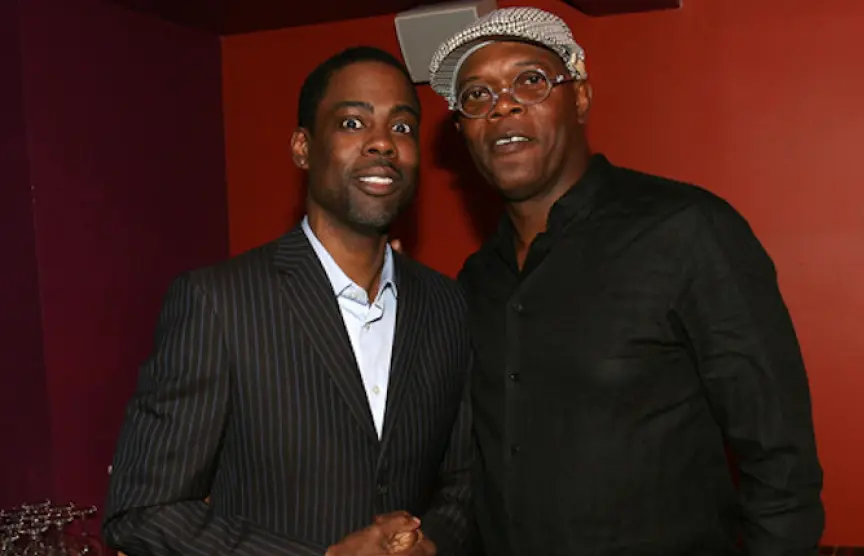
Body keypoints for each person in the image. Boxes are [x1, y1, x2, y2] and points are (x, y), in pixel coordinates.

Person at [424, 7, 825, 556]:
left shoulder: (685, 232)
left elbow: (781, 461)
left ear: (580, 98)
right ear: (463, 131)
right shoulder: (476, 282)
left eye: (531, 80)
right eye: (476, 95)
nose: (503, 105)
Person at [103, 46, 473, 556]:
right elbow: (141, 512)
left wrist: (431, 544)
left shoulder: (446, 304)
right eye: (352, 123)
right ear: (303, 147)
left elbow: (464, 481)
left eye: (402, 127)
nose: (383, 143)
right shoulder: (219, 303)